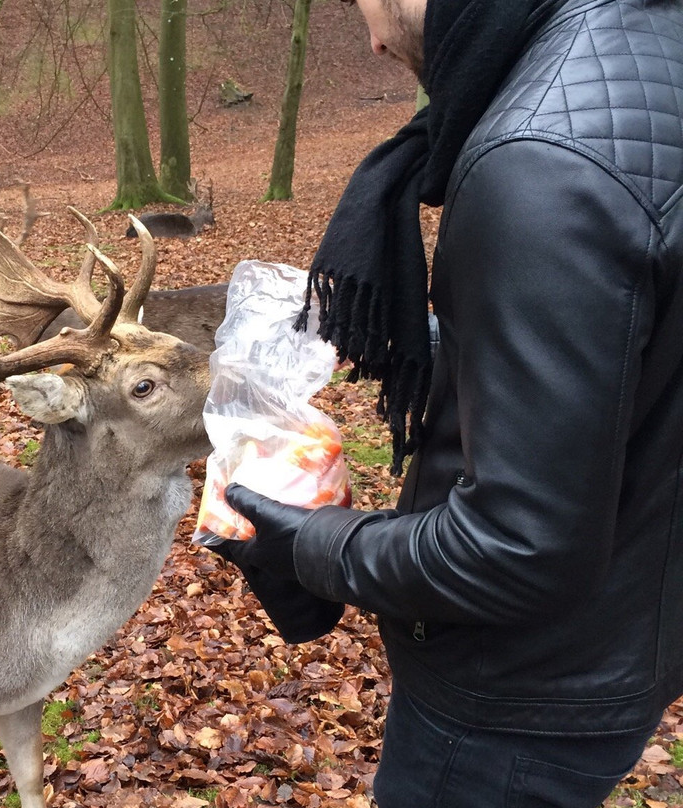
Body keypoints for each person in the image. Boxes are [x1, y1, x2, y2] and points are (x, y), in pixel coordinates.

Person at [213, 0, 683, 805]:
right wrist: (457, 347)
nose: (374, 40)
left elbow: (518, 549)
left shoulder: (541, 161)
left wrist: (312, 543)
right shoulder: (655, 46)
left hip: (512, 703)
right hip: (636, 627)